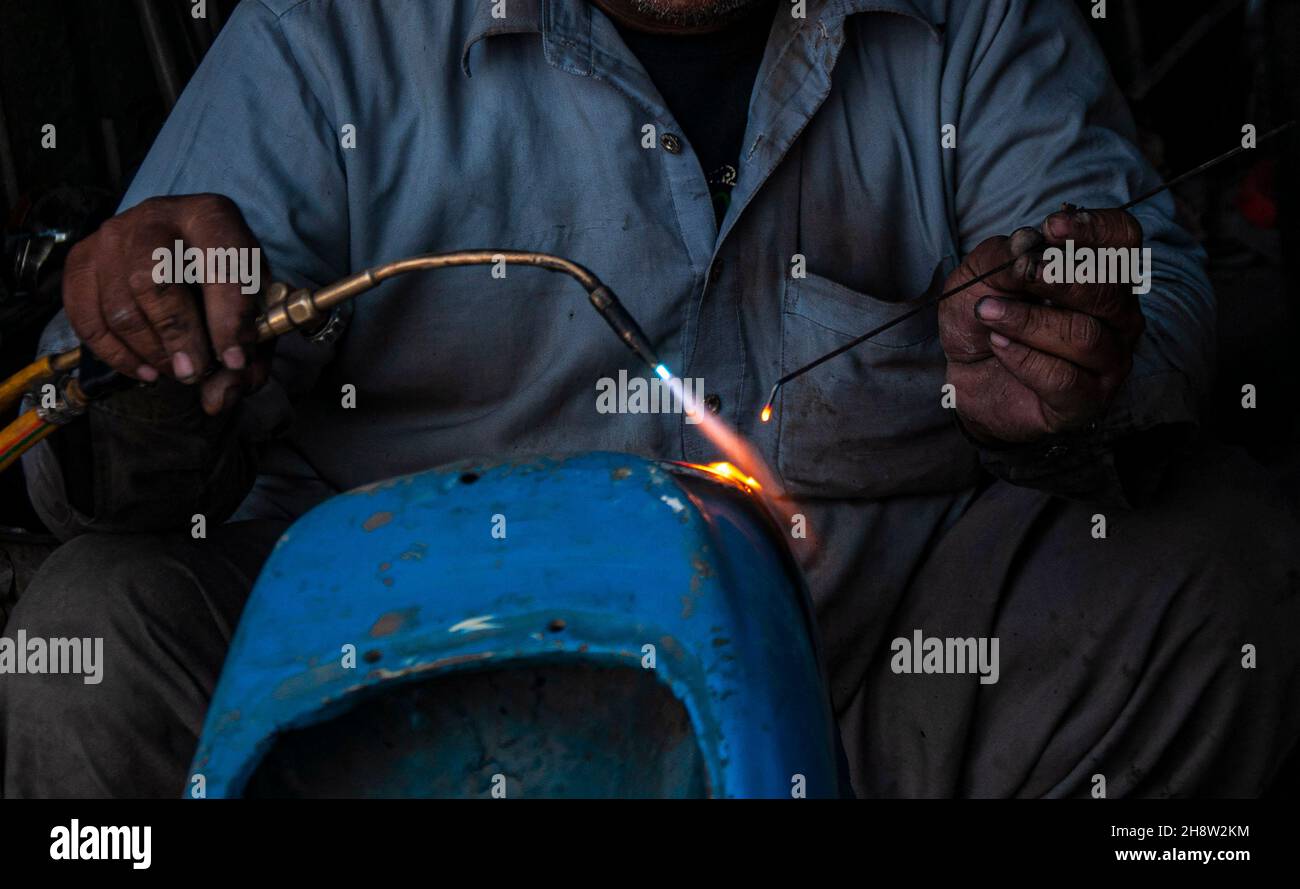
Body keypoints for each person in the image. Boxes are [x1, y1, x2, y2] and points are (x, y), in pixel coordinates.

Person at [2, 0, 1297, 798]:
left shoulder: (971, 25)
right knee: (92, 634)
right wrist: (155, 364)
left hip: (861, 693)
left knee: (1221, 563)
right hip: (390, 708)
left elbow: (1156, 298)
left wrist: (1080, 366)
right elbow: (84, 450)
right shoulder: (326, 33)